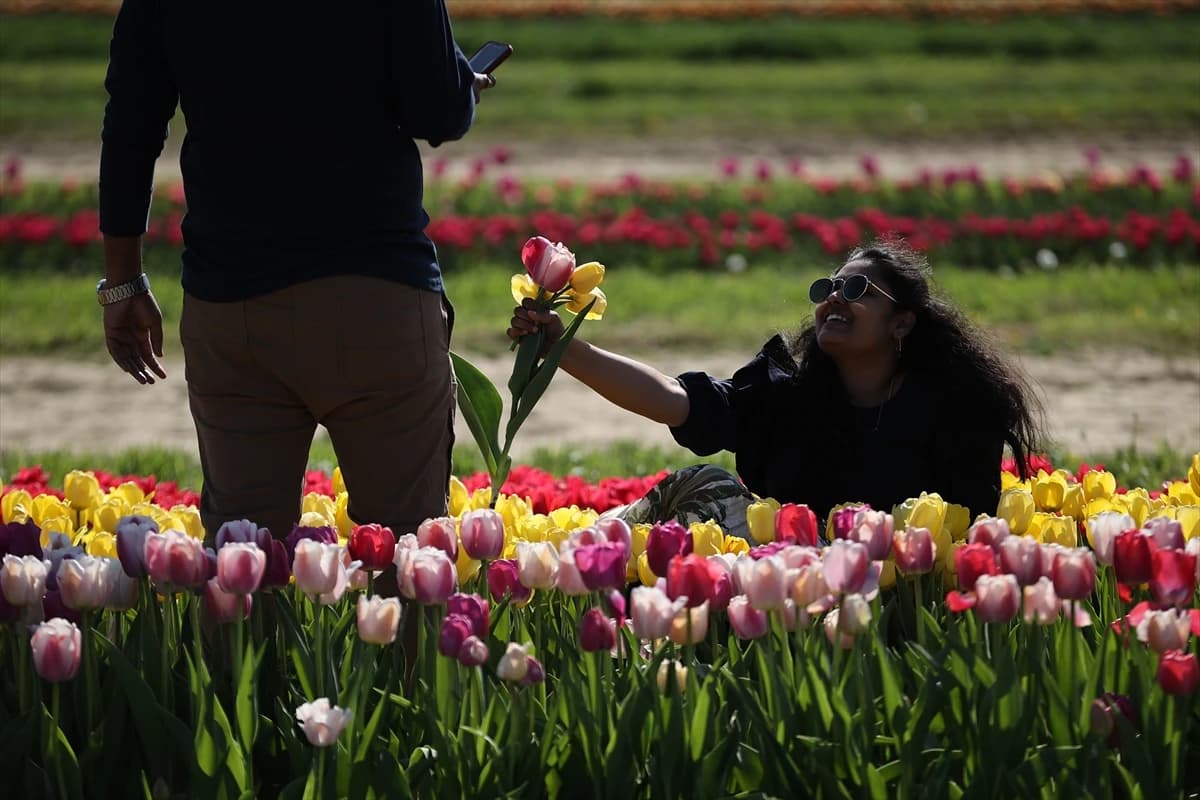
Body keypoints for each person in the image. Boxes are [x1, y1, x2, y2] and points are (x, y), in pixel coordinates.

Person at [98, 1, 495, 543]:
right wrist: (464, 87)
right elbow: (437, 111)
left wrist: (123, 280)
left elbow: (131, 122)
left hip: (231, 300)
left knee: (244, 579)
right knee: (408, 564)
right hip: (374, 293)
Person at [507, 239, 1045, 538]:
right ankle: (573, 560)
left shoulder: (955, 408)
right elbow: (677, 400)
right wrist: (564, 346)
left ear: (902, 323)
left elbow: (970, 526)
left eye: (855, 289)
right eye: (827, 287)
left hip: (900, 588)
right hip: (786, 582)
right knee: (703, 484)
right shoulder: (787, 394)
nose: (834, 298)